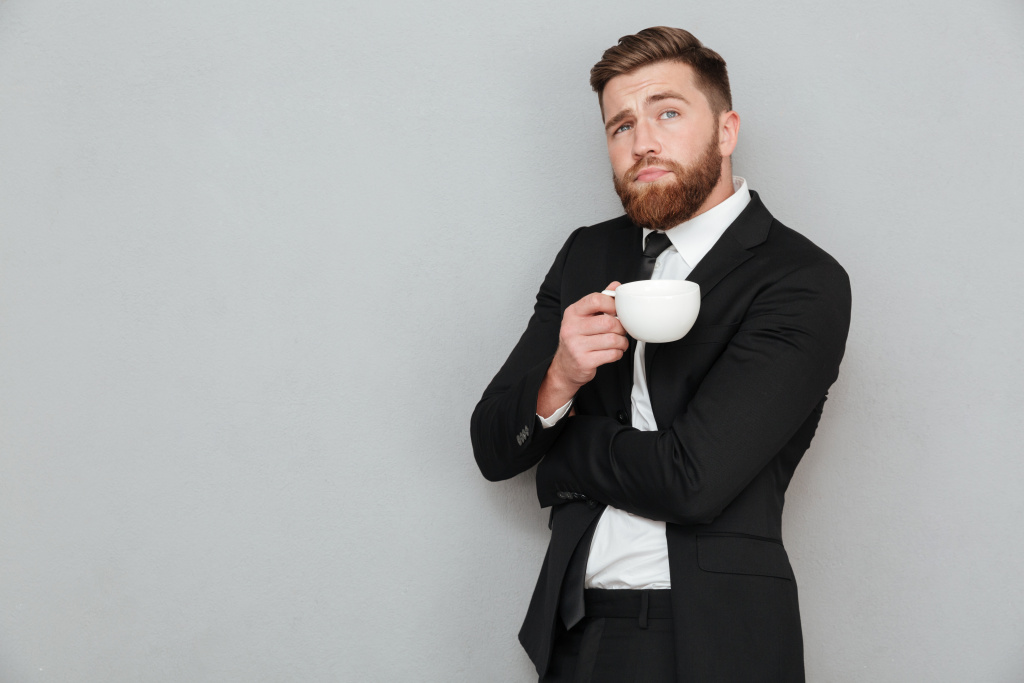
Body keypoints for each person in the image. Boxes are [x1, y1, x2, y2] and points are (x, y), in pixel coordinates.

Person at [470, 26, 851, 683]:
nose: (642, 141)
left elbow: (692, 481)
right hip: (573, 630)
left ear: (726, 131)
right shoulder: (587, 253)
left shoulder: (801, 279)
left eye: (667, 113)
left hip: (713, 639)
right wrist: (560, 377)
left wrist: (563, 460)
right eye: (621, 126)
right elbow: (493, 444)